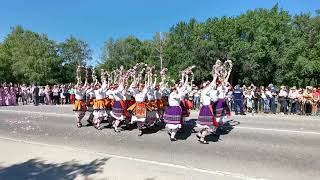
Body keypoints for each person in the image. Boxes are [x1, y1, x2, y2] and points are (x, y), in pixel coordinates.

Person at [196, 74, 218, 144]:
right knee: (207, 124)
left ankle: (200, 134)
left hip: (204, 108)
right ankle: (202, 139)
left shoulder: (204, 91)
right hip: (207, 108)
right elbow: (211, 85)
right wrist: (215, 78)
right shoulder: (205, 91)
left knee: (205, 124)